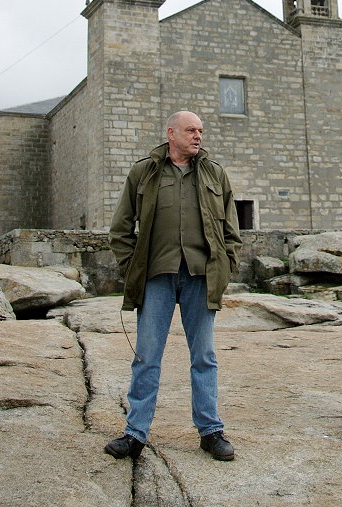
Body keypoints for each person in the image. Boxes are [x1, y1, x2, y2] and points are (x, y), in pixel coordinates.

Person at [104, 110, 242, 462]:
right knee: (147, 356)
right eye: (191, 130)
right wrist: (131, 267)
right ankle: (135, 434)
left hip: (201, 277)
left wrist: (225, 269)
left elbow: (231, 232)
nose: (198, 136)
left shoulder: (215, 173)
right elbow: (121, 229)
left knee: (204, 357)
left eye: (201, 130)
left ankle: (210, 432)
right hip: (157, 278)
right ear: (171, 133)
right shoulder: (143, 172)